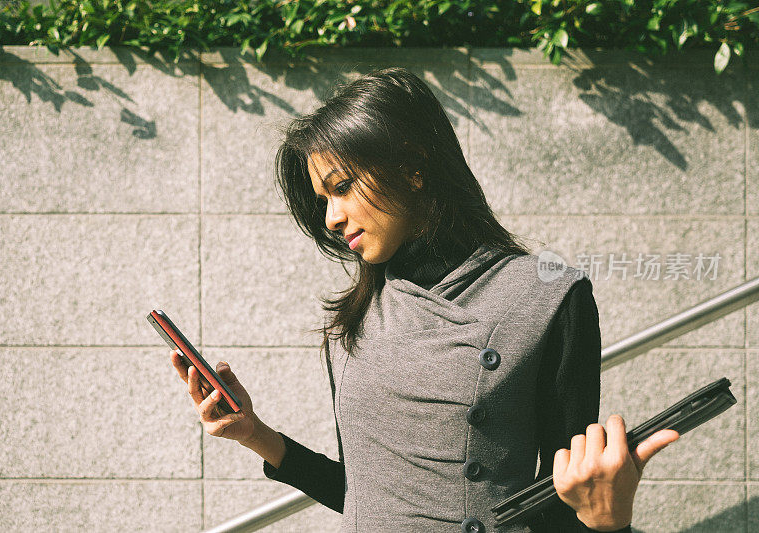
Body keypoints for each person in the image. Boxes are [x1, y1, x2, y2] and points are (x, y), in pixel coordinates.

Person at [169, 67, 680, 532]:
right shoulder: (359, 316)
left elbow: (564, 501)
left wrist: (609, 524)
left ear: (414, 168)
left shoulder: (547, 297)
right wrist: (255, 434)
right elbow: (367, 495)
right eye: (323, 199)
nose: (330, 217)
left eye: (341, 187)